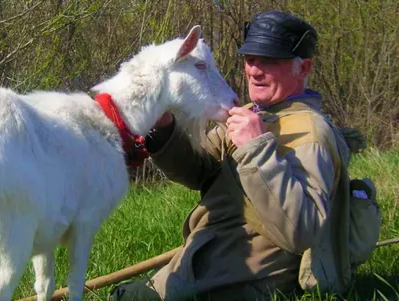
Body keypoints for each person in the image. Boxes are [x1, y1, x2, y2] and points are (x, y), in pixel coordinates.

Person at [110, 10, 356, 301]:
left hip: (245, 283)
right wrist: (163, 130)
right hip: (215, 264)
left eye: (270, 61)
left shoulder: (310, 134)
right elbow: (199, 171)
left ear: (303, 69)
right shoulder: (256, 116)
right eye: (250, 58)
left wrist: (256, 149)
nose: (254, 69)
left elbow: (301, 231)